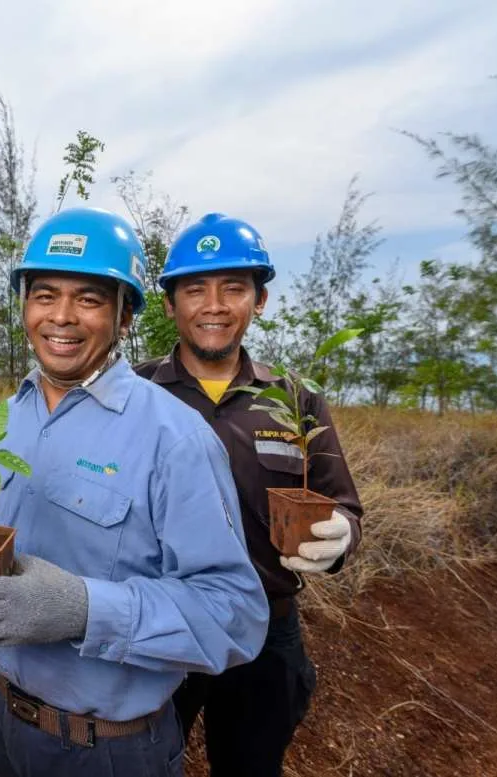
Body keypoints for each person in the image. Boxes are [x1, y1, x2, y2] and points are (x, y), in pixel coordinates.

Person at [0, 207, 269, 777]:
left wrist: (85, 612)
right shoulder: (2, 419)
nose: (60, 317)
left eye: (88, 299)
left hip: (101, 748)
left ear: (125, 316)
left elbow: (235, 614)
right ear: (24, 306)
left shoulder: (176, 439)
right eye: (44, 295)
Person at [135, 212, 365, 777]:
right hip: (162, 624)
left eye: (233, 288)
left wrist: (339, 537)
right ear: (170, 305)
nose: (213, 305)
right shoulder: (133, 392)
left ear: (258, 301)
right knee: (141, 761)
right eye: (195, 289)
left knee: (251, 765)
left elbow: (344, 503)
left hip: (266, 629)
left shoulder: (296, 399)